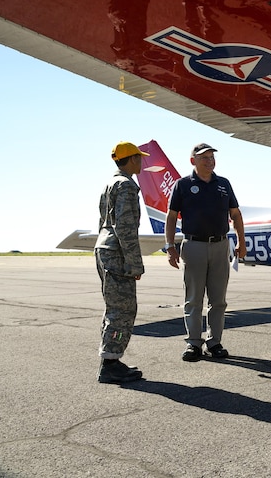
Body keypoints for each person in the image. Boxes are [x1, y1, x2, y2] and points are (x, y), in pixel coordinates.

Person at [164, 143, 246, 362]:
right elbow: (171, 217)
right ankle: (193, 343)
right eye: (204, 158)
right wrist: (170, 246)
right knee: (193, 299)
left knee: (218, 299)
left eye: (212, 157)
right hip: (193, 246)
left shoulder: (224, 184)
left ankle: (215, 342)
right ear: (193, 161)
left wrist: (241, 241)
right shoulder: (182, 185)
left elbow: (236, 215)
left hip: (220, 246)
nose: (210, 161)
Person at [95, 141, 150, 384]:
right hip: (117, 252)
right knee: (123, 309)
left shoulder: (110, 183)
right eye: (139, 157)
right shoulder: (126, 186)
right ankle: (110, 364)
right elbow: (125, 227)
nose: (141, 161)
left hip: (104, 248)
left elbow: (102, 221)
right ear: (131, 160)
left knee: (113, 307)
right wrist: (135, 263)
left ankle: (111, 358)